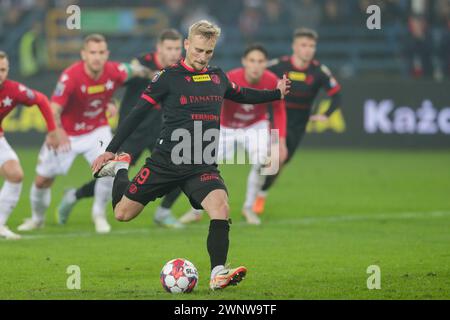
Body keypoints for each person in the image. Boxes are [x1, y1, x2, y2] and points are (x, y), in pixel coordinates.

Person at [91, 20, 290, 290]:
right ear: (187, 44)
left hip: (201, 165)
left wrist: (276, 93)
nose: (202, 57)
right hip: (165, 163)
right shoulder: (168, 77)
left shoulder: (217, 77)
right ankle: (121, 168)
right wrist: (111, 150)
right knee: (122, 214)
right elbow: (137, 113)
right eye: (198, 50)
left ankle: (218, 272)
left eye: (208, 52)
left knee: (220, 207)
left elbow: (243, 94)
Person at [17, 34, 149, 234]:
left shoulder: (115, 70)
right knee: (43, 180)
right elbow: (54, 109)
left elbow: (137, 70)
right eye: (92, 53)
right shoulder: (71, 76)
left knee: (108, 169)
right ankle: (37, 219)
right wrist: (56, 131)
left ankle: (99, 215)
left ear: (107, 54)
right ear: (84, 55)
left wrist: (157, 73)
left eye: (101, 52)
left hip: (96, 130)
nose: (97, 57)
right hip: (67, 133)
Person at [56, 29, 185, 229]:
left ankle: (163, 212)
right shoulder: (141, 65)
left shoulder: (180, 69)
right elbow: (111, 80)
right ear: (159, 48)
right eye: (169, 48)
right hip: (133, 132)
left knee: (181, 168)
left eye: (177, 48)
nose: (174, 53)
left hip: (161, 130)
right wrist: (106, 102)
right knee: (114, 174)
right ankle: (74, 196)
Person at [179, 43, 287, 226]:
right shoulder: (230, 78)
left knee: (265, 162)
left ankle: (249, 207)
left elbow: (279, 111)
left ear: (266, 63)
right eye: (252, 60)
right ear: (244, 61)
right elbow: (213, 102)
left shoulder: (271, 80)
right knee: (203, 165)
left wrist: (280, 142)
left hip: (255, 125)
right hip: (226, 126)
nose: (256, 65)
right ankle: (197, 209)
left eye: (260, 61)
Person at [252, 28, 342, 215]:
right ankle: (257, 193)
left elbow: (336, 95)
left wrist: (326, 114)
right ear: (294, 46)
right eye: (303, 45)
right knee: (276, 158)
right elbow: (255, 77)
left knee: (280, 163)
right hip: (274, 118)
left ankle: (262, 192)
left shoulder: (319, 71)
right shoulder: (278, 66)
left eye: (311, 46)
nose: (308, 49)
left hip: (298, 124)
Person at [0, 50, 58, 239]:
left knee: (15, 175)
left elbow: (41, 99)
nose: (0, 74)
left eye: (3, 69)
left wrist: (52, 130)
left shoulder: (14, 90)